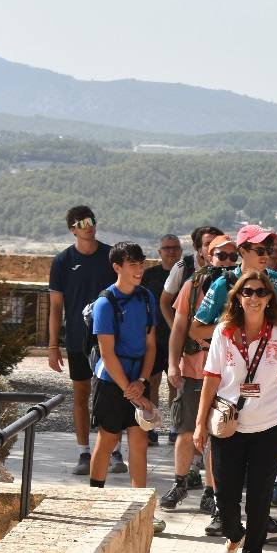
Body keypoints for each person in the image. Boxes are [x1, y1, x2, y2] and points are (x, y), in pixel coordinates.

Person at [194, 270, 277, 553]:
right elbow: (211, 378)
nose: (254, 298)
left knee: (259, 497)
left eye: (260, 292)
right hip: (229, 426)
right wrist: (199, 424)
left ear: (270, 299)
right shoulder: (224, 332)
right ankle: (234, 535)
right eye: (247, 292)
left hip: (269, 425)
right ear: (238, 297)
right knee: (224, 494)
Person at [86, 242, 163, 532]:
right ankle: (93, 501)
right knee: (108, 440)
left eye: (141, 263)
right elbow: (106, 352)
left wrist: (141, 382)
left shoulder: (146, 298)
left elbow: (151, 345)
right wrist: (128, 388)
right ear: (117, 267)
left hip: (137, 380)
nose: (139, 269)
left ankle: (141, 511)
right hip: (110, 381)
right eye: (132, 264)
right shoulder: (106, 302)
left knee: (139, 443)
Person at [162, 234, 237, 520]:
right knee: (185, 429)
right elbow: (179, 329)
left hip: (226, 372)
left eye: (233, 256)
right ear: (208, 256)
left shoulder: (242, 288)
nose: (227, 262)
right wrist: (172, 364)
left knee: (218, 431)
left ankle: (212, 493)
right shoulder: (191, 287)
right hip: (194, 366)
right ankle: (180, 483)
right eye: (222, 255)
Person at [47, 205, 124, 476]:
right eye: (82, 222)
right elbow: (56, 307)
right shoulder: (62, 262)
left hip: (110, 338)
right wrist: (53, 346)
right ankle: (83, 451)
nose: (89, 225)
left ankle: (114, 451)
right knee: (81, 395)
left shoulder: (110, 256)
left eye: (91, 220)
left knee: (112, 393)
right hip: (78, 339)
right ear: (72, 229)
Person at [161, 225, 223, 445]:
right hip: (192, 353)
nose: (213, 249)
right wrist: (179, 332)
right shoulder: (185, 270)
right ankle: (175, 427)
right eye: (207, 244)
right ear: (199, 249)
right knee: (183, 396)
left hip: (221, 359)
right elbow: (165, 302)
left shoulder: (235, 279)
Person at [141, 234, 182, 445]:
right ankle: (152, 428)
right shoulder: (150, 275)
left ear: (181, 251)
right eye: (167, 248)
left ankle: (176, 427)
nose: (171, 252)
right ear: (160, 252)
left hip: (178, 339)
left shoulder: (188, 275)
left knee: (176, 384)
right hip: (154, 339)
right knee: (152, 383)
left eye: (175, 248)